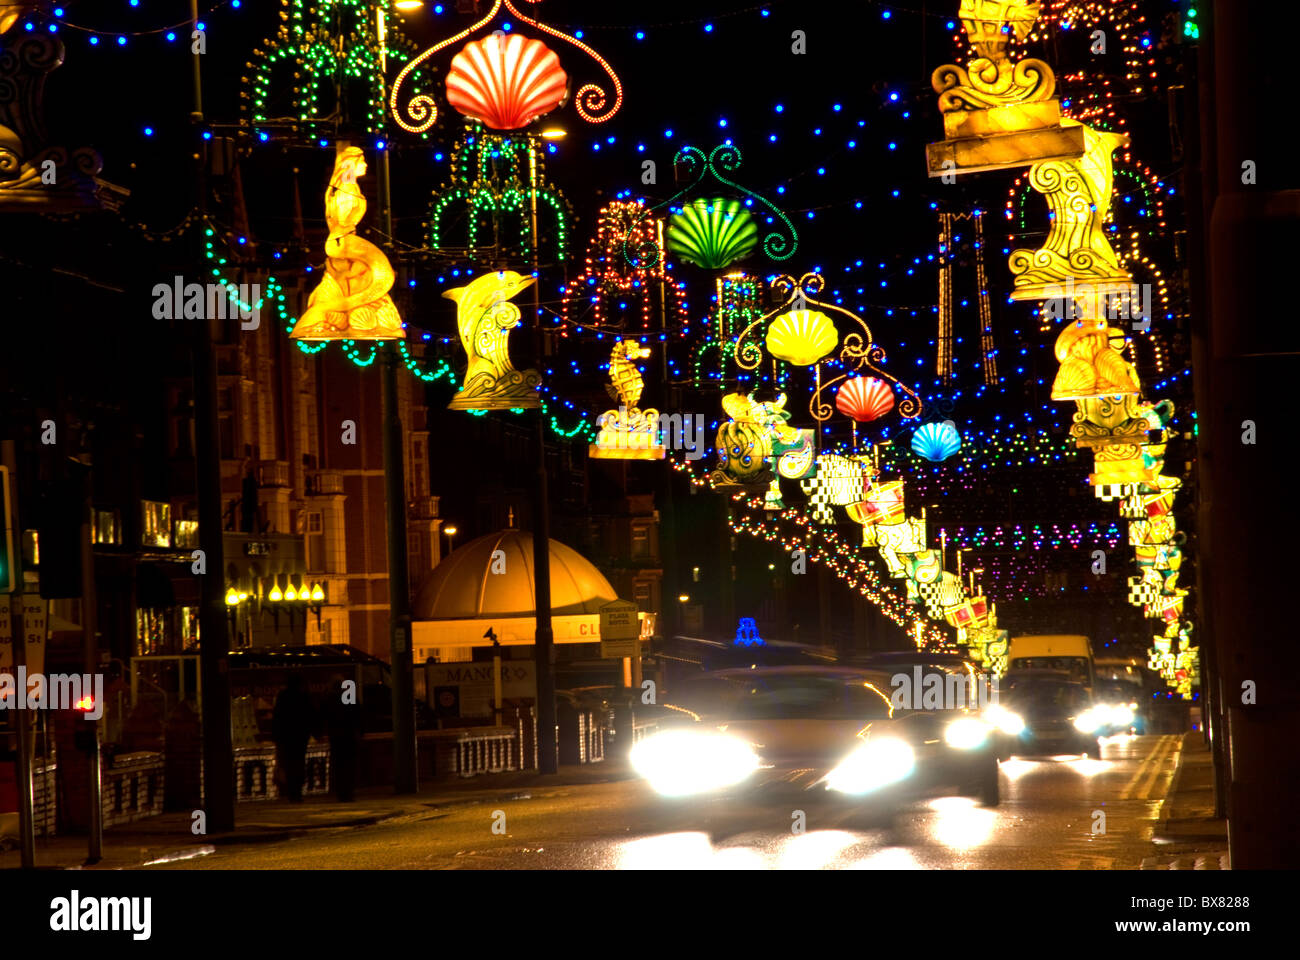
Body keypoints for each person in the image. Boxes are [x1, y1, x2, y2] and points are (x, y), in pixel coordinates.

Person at [272, 675, 314, 802]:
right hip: (300, 735)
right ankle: (297, 791)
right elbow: (309, 714)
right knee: (299, 763)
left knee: (289, 763)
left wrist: (277, 735)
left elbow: (278, 717)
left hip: (287, 736)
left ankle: (291, 791)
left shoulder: (283, 696)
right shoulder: (303, 696)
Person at [325, 678, 361, 802]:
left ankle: (342, 792)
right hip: (349, 736)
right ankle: (348, 792)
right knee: (349, 766)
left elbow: (325, 717)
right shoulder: (349, 699)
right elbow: (357, 716)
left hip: (336, 737)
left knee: (339, 766)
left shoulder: (330, 700)